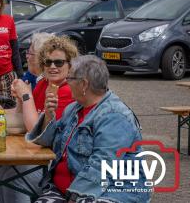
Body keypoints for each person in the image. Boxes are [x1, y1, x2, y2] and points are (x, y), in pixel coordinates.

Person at [27, 55, 150, 203]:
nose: (66, 82)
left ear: (84, 84)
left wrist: (74, 197)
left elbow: (102, 166)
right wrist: (48, 115)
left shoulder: (114, 116)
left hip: (108, 192)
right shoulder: (74, 109)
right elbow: (47, 143)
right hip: (62, 189)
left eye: (70, 78)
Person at [0, 36, 79, 203]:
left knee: (13, 175)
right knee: (2, 167)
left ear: (70, 64)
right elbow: (27, 119)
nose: (52, 66)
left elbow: (35, 132)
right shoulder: (44, 85)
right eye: (48, 62)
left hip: (56, 165)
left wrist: (26, 95)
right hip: (39, 156)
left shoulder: (67, 91)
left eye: (59, 63)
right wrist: (11, 106)